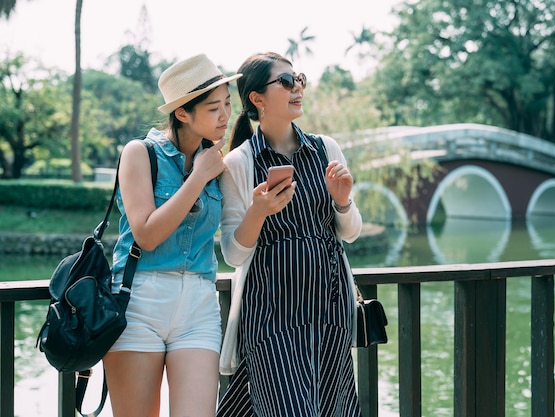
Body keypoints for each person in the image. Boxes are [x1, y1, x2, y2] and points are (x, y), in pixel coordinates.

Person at [217, 51, 363, 417]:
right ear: (257, 99)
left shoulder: (325, 148)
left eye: (298, 78)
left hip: (329, 309)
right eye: (285, 82)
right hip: (270, 317)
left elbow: (351, 233)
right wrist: (258, 212)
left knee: (330, 409)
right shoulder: (239, 162)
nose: (297, 88)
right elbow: (233, 254)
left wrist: (343, 202)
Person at [102, 53, 241, 417]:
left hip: (199, 303)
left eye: (228, 104)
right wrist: (197, 177)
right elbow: (146, 235)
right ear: (182, 113)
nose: (226, 116)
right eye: (214, 108)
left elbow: (234, 236)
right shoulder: (140, 153)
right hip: (138, 302)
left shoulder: (218, 161)